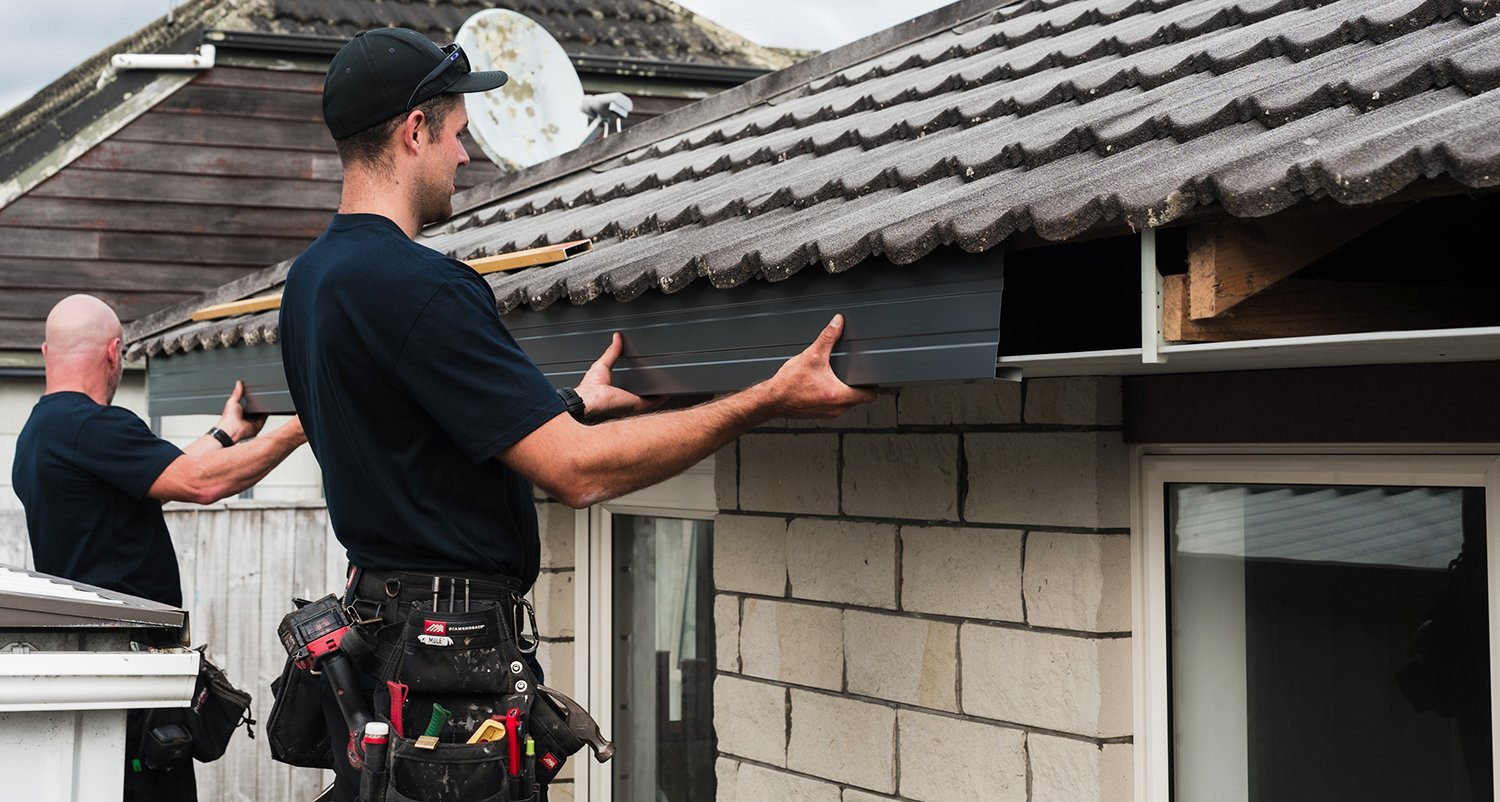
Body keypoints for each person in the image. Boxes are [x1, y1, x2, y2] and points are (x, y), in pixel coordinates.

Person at [278, 28, 874, 801]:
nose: (468, 158)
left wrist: (571, 405)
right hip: (445, 672)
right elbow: (577, 474)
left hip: (387, 643)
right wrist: (767, 398)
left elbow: (412, 431)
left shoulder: (311, 283)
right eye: (458, 136)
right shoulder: (422, 287)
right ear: (413, 130)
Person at [11, 293, 308, 802]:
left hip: (96, 670)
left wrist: (226, 432)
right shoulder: (93, 426)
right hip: (134, 680)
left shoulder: (41, 432)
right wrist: (301, 428)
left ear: (45, 352)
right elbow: (199, 485)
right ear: (113, 353)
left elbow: (164, 472)